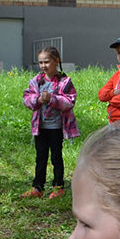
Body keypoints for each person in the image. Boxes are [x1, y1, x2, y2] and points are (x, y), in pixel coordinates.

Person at [21, 46, 79, 199]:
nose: (43, 65)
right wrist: (37, 99)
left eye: (46, 62)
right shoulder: (36, 81)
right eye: (40, 62)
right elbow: (26, 99)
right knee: (40, 157)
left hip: (56, 127)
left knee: (56, 157)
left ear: (56, 61)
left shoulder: (65, 82)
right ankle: (37, 188)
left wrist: (52, 99)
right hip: (40, 127)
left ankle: (58, 186)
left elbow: (70, 101)